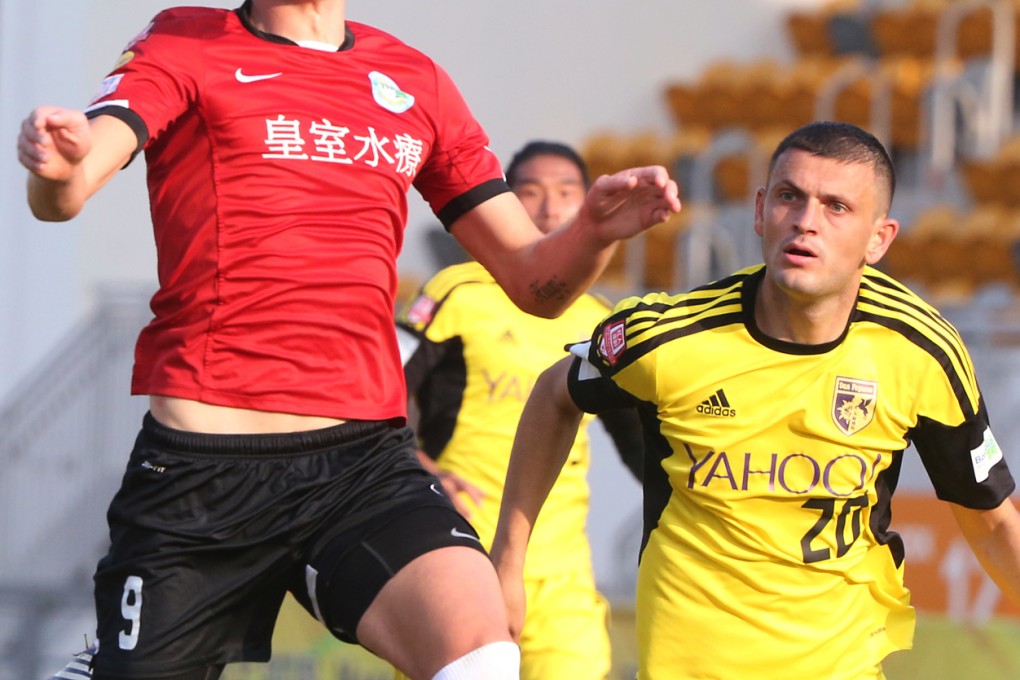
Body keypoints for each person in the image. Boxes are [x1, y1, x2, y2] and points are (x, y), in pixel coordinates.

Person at [18, 3, 680, 680]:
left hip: (361, 466)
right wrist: (58, 167)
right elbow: (68, 187)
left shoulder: (413, 79)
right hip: (203, 472)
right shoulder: (186, 39)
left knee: (481, 655)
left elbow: (535, 284)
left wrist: (593, 233)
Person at [490, 121, 1020, 679]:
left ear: (879, 238)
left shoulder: (921, 352)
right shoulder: (669, 340)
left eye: (837, 207)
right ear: (762, 209)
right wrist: (507, 560)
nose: (806, 221)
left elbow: (991, 523)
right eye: (790, 197)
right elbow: (555, 393)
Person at [395, 141, 643, 680]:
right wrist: (418, 468)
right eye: (531, 192)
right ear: (506, 204)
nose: (550, 207)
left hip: (561, 574)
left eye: (566, 193)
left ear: (585, 204)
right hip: (459, 553)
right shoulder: (458, 291)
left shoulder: (601, 319)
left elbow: (641, 444)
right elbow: (386, 389)